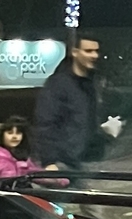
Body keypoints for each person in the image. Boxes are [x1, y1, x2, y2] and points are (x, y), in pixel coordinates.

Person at [31, 35, 107, 169]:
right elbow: (45, 123)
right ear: (75, 52)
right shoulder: (58, 84)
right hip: (65, 161)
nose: (94, 55)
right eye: (88, 51)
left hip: (91, 159)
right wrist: (49, 161)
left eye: (96, 51)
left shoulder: (93, 82)